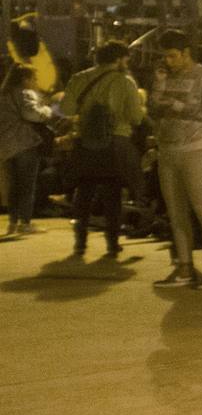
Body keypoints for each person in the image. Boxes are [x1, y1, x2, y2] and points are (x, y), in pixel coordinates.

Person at [147, 30, 202, 288]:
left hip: (195, 149)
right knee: (175, 212)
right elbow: (153, 109)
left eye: (172, 56)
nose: (168, 61)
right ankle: (184, 267)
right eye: (165, 56)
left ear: (186, 53)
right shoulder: (164, 76)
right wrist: (159, 85)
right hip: (167, 150)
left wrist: (179, 106)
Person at [60, 43, 146, 257]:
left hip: (85, 141)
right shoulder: (125, 81)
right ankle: (112, 243)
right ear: (119, 59)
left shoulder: (79, 78)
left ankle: (80, 243)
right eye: (126, 59)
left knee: (84, 191)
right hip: (115, 142)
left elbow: (66, 109)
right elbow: (136, 117)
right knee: (112, 194)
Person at [0, 64, 54, 235]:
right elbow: (32, 114)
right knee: (27, 186)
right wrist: (47, 110)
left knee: (13, 186)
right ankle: (25, 223)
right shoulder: (25, 93)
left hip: (6, 147)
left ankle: (12, 223)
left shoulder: (3, 95)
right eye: (34, 78)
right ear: (25, 79)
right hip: (25, 143)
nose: (35, 82)